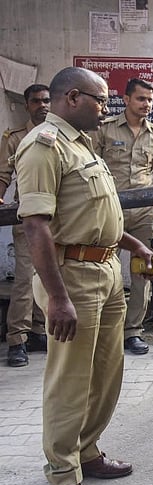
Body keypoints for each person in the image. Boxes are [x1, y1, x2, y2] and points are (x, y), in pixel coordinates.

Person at [15, 66, 153, 485]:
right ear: (72, 98)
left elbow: (94, 211)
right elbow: (37, 226)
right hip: (71, 279)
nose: (106, 108)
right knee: (70, 381)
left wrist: (132, 243)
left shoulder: (81, 145)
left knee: (105, 374)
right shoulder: (43, 147)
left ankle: (86, 450)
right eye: (100, 100)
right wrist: (57, 298)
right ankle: (62, 479)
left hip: (107, 270)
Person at [92, 78, 153, 355]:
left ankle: (133, 332)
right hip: (110, 210)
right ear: (126, 100)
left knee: (142, 271)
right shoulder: (104, 130)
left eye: (150, 100)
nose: (146, 104)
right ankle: (106, 328)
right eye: (140, 99)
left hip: (143, 212)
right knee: (104, 269)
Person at [0, 84, 50, 367]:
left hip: (57, 215)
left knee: (48, 275)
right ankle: (17, 340)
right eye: (36, 101)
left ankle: (38, 332)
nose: (42, 105)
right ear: (27, 105)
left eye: (46, 100)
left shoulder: (61, 134)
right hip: (28, 216)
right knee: (24, 280)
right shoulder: (15, 138)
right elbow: (2, 175)